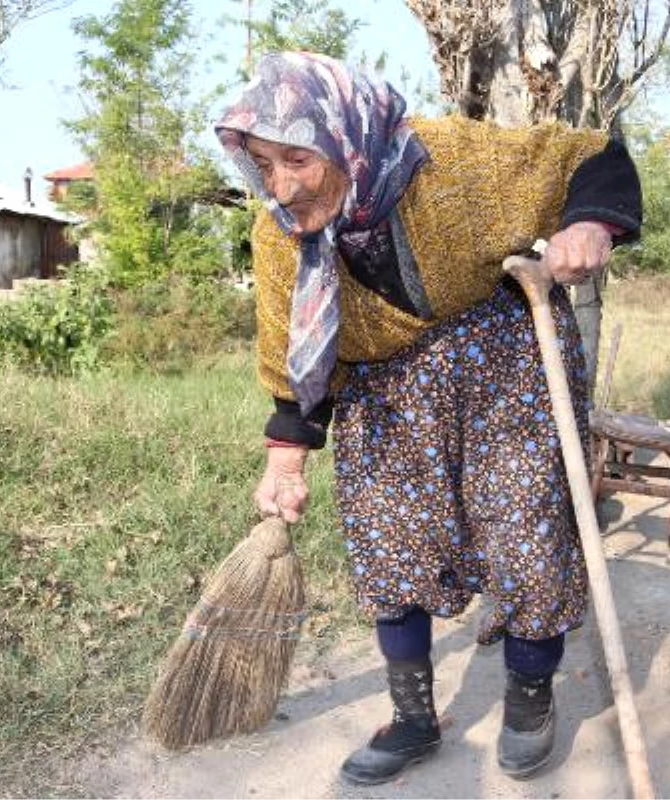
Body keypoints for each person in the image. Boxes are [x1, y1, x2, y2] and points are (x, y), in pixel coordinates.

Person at [215, 51, 642, 785]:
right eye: (263, 164)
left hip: (502, 356)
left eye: (297, 159)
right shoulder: (279, 231)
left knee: (525, 529)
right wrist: (286, 457)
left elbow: (588, 157)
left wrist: (590, 224)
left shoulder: (449, 161)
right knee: (390, 537)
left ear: (344, 137)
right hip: (385, 385)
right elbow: (296, 357)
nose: (281, 186)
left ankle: (529, 699)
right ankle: (414, 717)